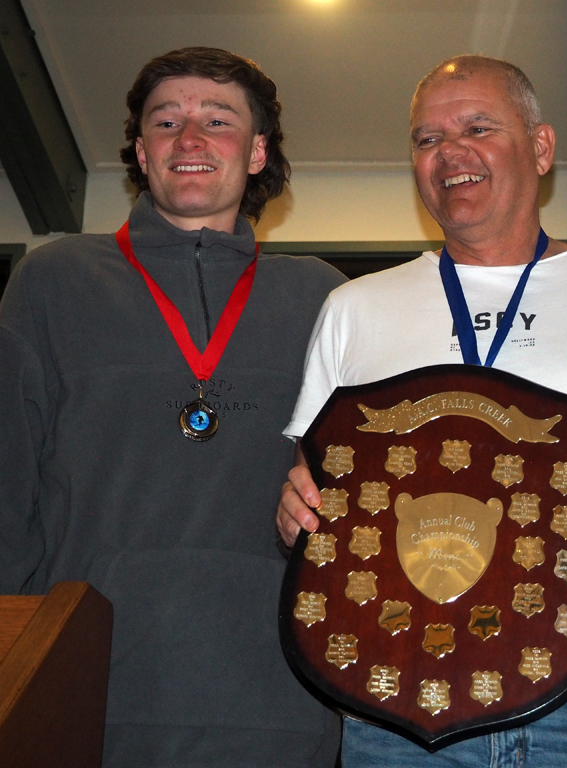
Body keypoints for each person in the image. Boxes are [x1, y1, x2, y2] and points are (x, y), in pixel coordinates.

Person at [276, 54, 567, 767]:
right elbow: (314, 494)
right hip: (392, 709)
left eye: (477, 127)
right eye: (427, 139)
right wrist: (297, 510)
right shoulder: (354, 308)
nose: (449, 153)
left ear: (542, 147)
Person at [0, 48, 345, 766]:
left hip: (279, 695)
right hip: (83, 689)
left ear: (256, 153)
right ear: (141, 149)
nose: (190, 139)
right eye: (167, 121)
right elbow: (8, 486)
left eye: (216, 121)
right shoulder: (52, 282)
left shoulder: (322, 298)